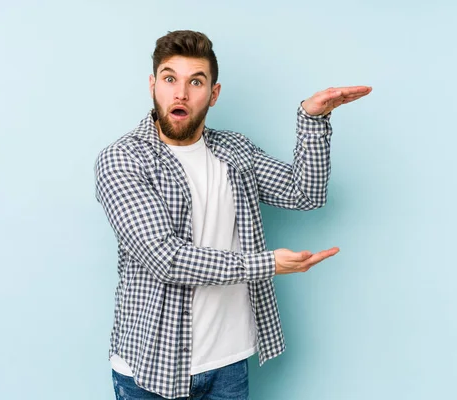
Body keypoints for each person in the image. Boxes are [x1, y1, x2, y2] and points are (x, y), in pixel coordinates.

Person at [95, 30, 372, 400]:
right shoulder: (123, 158)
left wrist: (312, 119)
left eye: (196, 81)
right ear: (152, 85)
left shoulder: (235, 150)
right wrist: (268, 264)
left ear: (213, 94)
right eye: (169, 78)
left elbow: (304, 192)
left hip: (228, 361)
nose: (180, 93)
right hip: (153, 368)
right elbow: (167, 258)